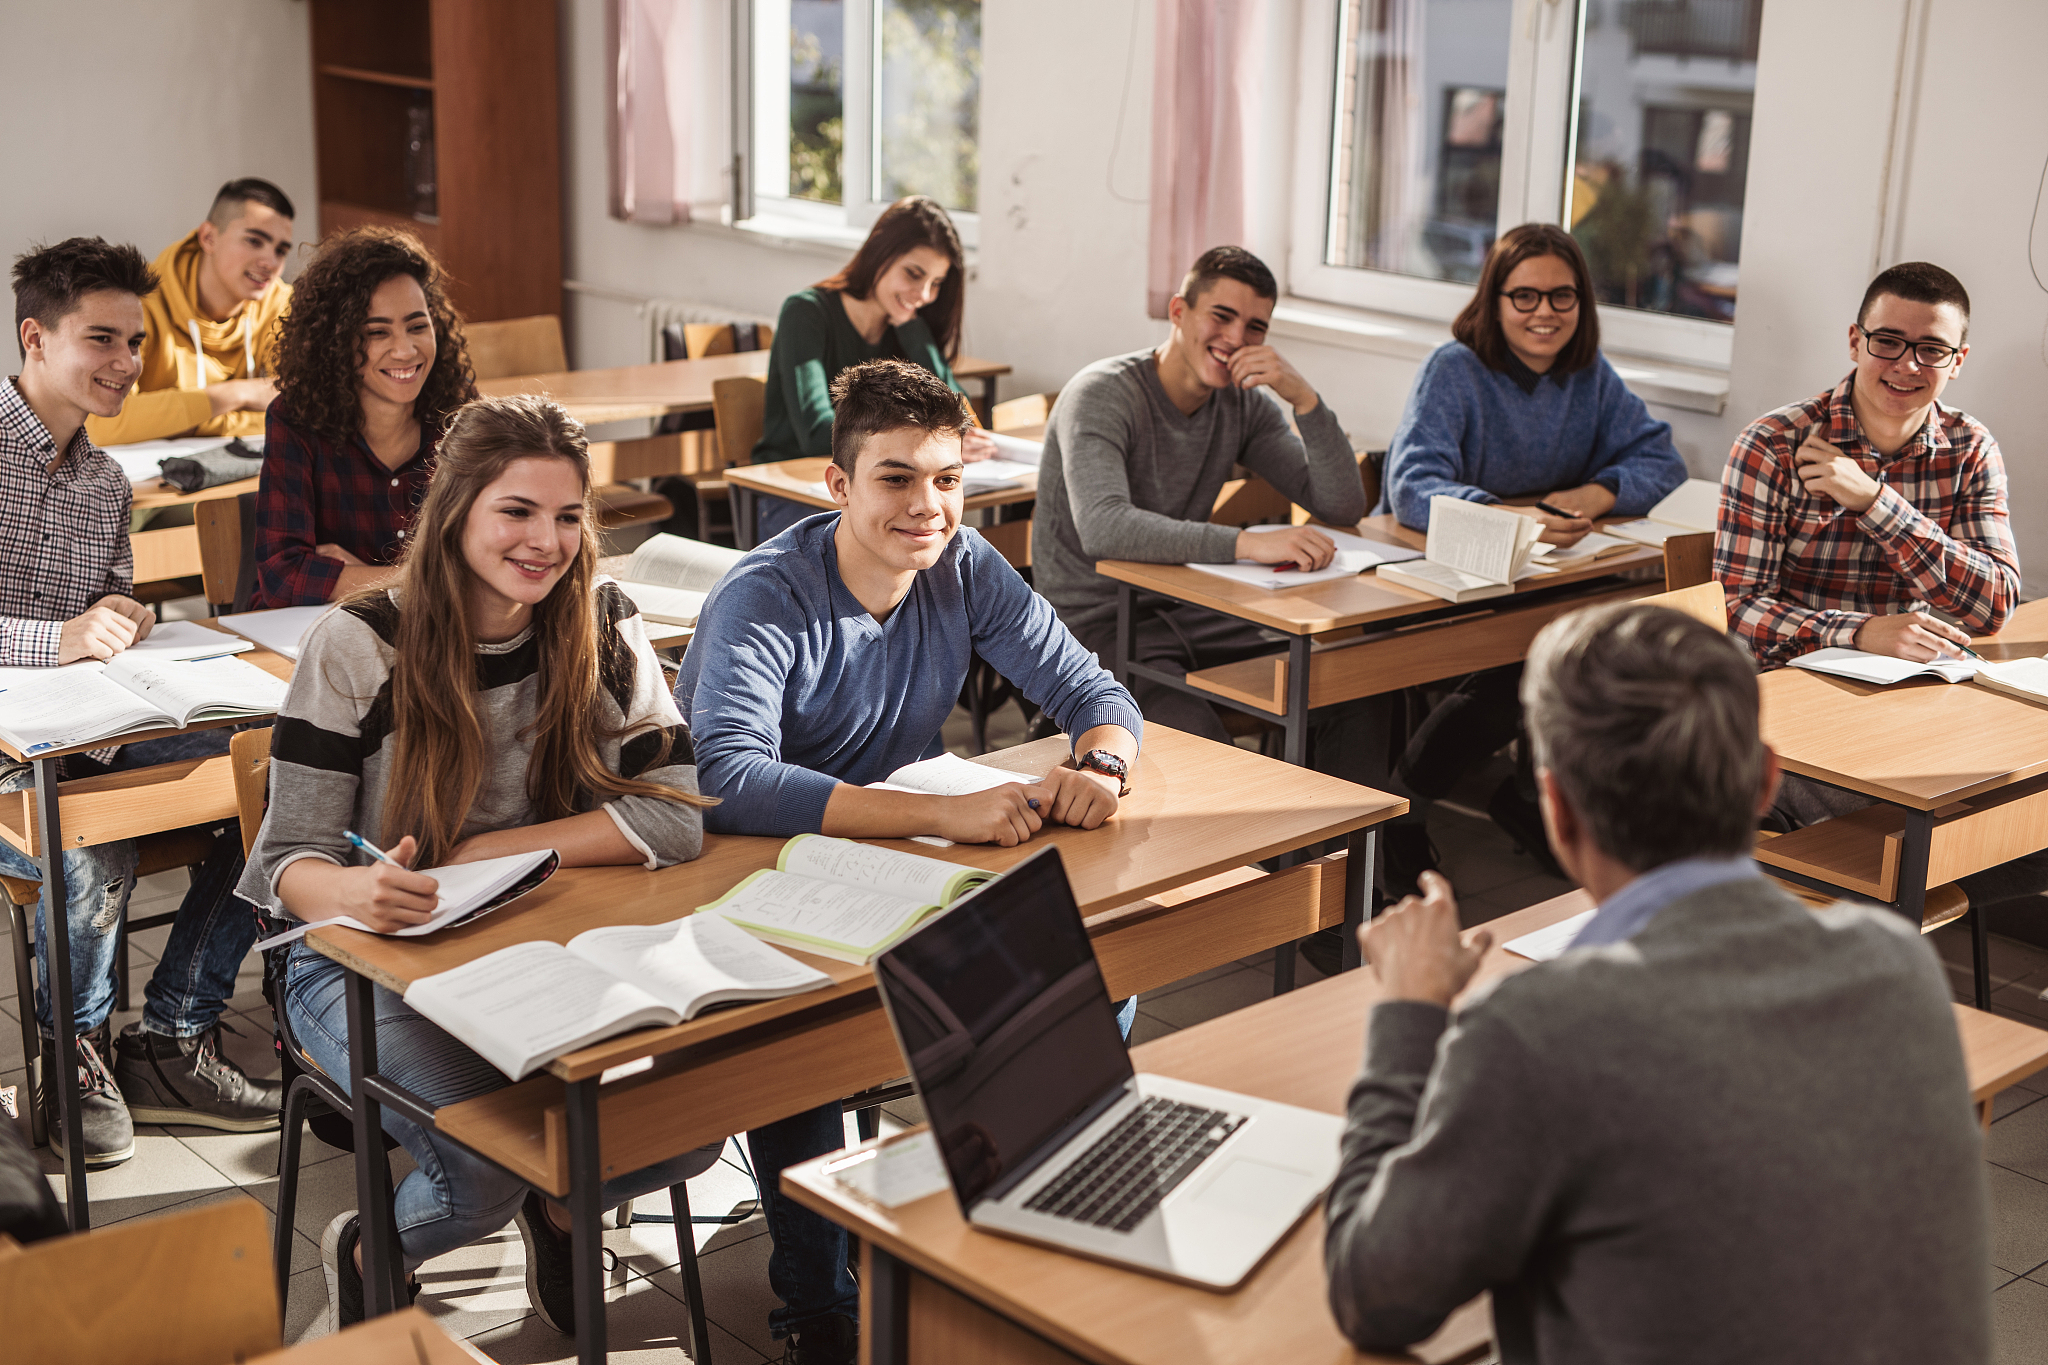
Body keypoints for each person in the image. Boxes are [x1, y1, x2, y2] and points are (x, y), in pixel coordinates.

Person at [1324, 602, 1987, 1362]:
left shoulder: (1539, 1029)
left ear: (1557, 809)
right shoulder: (1896, 964)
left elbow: (1373, 1294)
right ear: (1765, 779)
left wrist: (1410, 1012)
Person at [675, 358, 1144, 1364]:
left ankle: (1013, 1216)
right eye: (894, 479)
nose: (926, 507)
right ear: (836, 486)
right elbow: (727, 782)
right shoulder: (765, 596)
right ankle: (815, 1300)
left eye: (945, 478)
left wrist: (1103, 764)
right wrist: (949, 817)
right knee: (811, 1044)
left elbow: (1096, 693)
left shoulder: (965, 564)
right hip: (762, 878)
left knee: (1099, 965)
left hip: (899, 861)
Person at [236, 395, 721, 1335]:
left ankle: (566, 1203)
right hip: (353, 956)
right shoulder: (357, 643)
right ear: (456, 508)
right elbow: (289, 860)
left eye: (569, 516)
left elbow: (675, 818)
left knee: (694, 1118)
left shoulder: (598, 618)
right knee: (486, 1163)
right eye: (517, 511)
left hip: (530, 937)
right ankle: (378, 1246)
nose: (547, 541)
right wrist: (356, 889)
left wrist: (495, 849)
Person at [4, 238, 280, 1169]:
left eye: (135, 340)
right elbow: (62, 633)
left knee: (278, 775)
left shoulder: (105, 481)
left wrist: (121, 615)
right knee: (88, 825)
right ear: (36, 338)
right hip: (14, 758)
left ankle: (170, 1033)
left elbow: (106, 605)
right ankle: (67, 1055)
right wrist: (61, 638)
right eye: (103, 340)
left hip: (89, 727)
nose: (129, 363)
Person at [1032, 244, 1370, 971]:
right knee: (1201, 739)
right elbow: (1106, 528)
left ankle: (1332, 894)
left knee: (1347, 680)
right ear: (1180, 312)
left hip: (1183, 610)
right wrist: (1247, 541)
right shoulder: (1103, 393)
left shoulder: (1241, 405)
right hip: (1093, 624)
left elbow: (1342, 504)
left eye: (1256, 327)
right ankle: (1251, 908)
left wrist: (1305, 400)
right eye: (1223, 315)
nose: (1238, 338)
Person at [1716, 261, 2039, 910]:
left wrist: (1874, 502)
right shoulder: (1775, 444)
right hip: (1794, 718)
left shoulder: (1970, 448)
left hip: (1919, 706)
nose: (1906, 365)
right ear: (1855, 340)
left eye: (1932, 350)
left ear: (1959, 360)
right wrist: (1860, 632)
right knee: (1936, 810)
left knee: (2012, 793)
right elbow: (1734, 610)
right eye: (1887, 341)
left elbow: (1995, 603)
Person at [1376, 223, 1687, 894]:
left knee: (1590, 650)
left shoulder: (1589, 377)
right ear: (1493, 300)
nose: (1545, 313)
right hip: (1448, 582)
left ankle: (1526, 796)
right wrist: (1518, 519)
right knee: (1536, 661)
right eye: (1525, 297)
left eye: (1561, 297)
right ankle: (1402, 811)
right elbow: (1411, 489)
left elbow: (1661, 457)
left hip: (1540, 581)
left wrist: (1595, 492)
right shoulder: (1454, 370)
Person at [250, 226, 476, 608]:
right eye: (377, 333)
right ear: (335, 341)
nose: (405, 350)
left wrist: (350, 577)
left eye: (417, 326)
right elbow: (282, 575)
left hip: (431, 629)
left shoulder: (461, 412)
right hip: (309, 633)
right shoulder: (296, 419)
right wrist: (417, 577)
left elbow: (484, 559)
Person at [748, 195, 997, 542]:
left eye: (936, 283)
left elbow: (954, 413)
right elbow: (816, 430)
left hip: (880, 491)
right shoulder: (806, 313)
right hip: (792, 493)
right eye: (913, 274)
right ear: (880, 253)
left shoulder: (908, 325)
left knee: (938, 539)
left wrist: (911, 328)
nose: (923, 294)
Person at [84, 177, 295, 447]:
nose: (270, 263)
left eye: (281, 250)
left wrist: (179, 421)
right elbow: (102, 421)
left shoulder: (280, 302)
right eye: (254, 241)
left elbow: (306, 410)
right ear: (208, 238)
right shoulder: (137, 304)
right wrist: (237, 394)